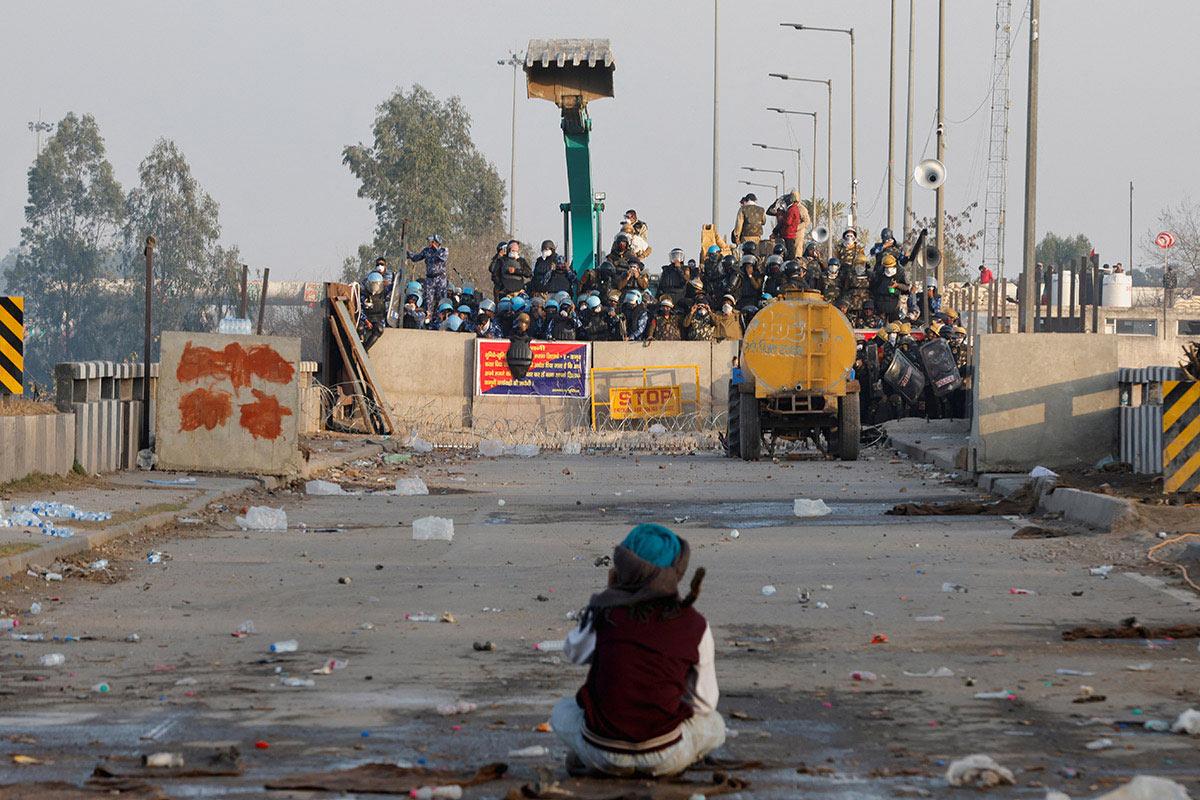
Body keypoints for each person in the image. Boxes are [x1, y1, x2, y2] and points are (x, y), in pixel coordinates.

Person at [554, 524, 723, 778]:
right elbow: (704, 703)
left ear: (623, 567)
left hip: (603, 752)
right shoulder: (694, 624)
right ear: (676, 571)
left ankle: (594, 761)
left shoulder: (605, 612)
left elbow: (573, 652)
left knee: (562, 711)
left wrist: (612, 596)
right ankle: (670, 763)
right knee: (716, 725)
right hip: (664, 752)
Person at [407, 235, 449, 315]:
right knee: (428, 299)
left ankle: (441, 317)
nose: (429, 243)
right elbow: (416, 257)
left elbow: (442, 258)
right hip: (430, 279)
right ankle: (429, 317)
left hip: (440, 278)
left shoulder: (444, 250)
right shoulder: (426, 251)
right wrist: (408, 253)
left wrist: (435, 249)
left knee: (441, 299)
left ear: (436, 242)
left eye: (432, 242)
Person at [766, 191, 811, 259]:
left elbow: (806, 221)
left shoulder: (801, 209)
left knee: (796, 253)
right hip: (787, 232)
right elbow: (770, 212)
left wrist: (796, 228)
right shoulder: (788, 208)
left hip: (797, 233)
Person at [871, 253, 910, 322]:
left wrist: (897, 285)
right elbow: (874, 286)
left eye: (890, 266)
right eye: (886, 267)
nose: (889, 269)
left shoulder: (901, 272)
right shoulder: (880, 272)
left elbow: (907, 287)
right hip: (880, 302)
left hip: (895, 302)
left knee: (894, 324)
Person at [358, 270, 389, 350]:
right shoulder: (364, 295)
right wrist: (366, 321)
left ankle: (365, 349)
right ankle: (359, 347)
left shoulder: (383, 293)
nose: (374, 288)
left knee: (379, 329)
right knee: (360, 328)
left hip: (377, 319)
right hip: (365, 319)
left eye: (376, 285)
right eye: (373, 285)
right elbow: (360, 310)